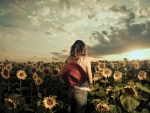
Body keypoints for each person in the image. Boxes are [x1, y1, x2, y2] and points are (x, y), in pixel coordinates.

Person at [61, 40, 93, 113]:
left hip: (71, 89)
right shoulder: (86, 60)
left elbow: (64, 71)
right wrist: (91, 85)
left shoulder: (69, 59)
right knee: (80, 110)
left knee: (72, 109)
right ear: (84, 49)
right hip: (82, 89)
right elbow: (89, 75)